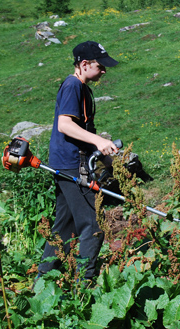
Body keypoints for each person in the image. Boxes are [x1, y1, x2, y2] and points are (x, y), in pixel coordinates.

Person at [37, 41, 119, 281]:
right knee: (93, 227)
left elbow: (83, 128)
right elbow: (65, 125)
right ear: (84, 64)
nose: (104, 70)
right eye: (100, 66)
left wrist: (103, 154)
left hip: (68, 161)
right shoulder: (73, 85)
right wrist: (98, 140)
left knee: (64, 226)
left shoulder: (82, 87)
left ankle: (43, 282)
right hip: (71, 163)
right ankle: (85, 287)